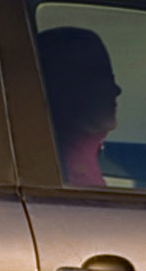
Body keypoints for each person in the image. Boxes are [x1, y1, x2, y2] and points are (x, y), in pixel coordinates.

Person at [36, 26, 119, 188]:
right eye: (102, 79)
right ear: (64, 88)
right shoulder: (64, 173)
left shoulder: (85, 154)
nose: (117, 90)